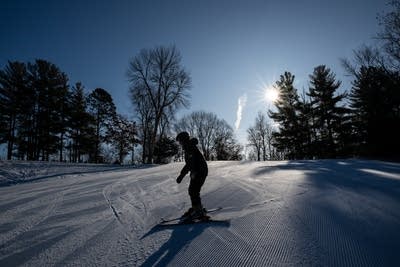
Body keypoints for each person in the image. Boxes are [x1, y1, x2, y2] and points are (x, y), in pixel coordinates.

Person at [176, 131, 208, 220]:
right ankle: (197, 208)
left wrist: (181, 176)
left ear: (184, 140)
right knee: (193, 190)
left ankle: (198, 211)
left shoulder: (190, 148)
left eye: (180, 141)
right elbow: (190, 164)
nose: (180, 143)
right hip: (198, 171)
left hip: (200, 171)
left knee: (193, 190)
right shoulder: (189, 147)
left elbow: (190, 164)